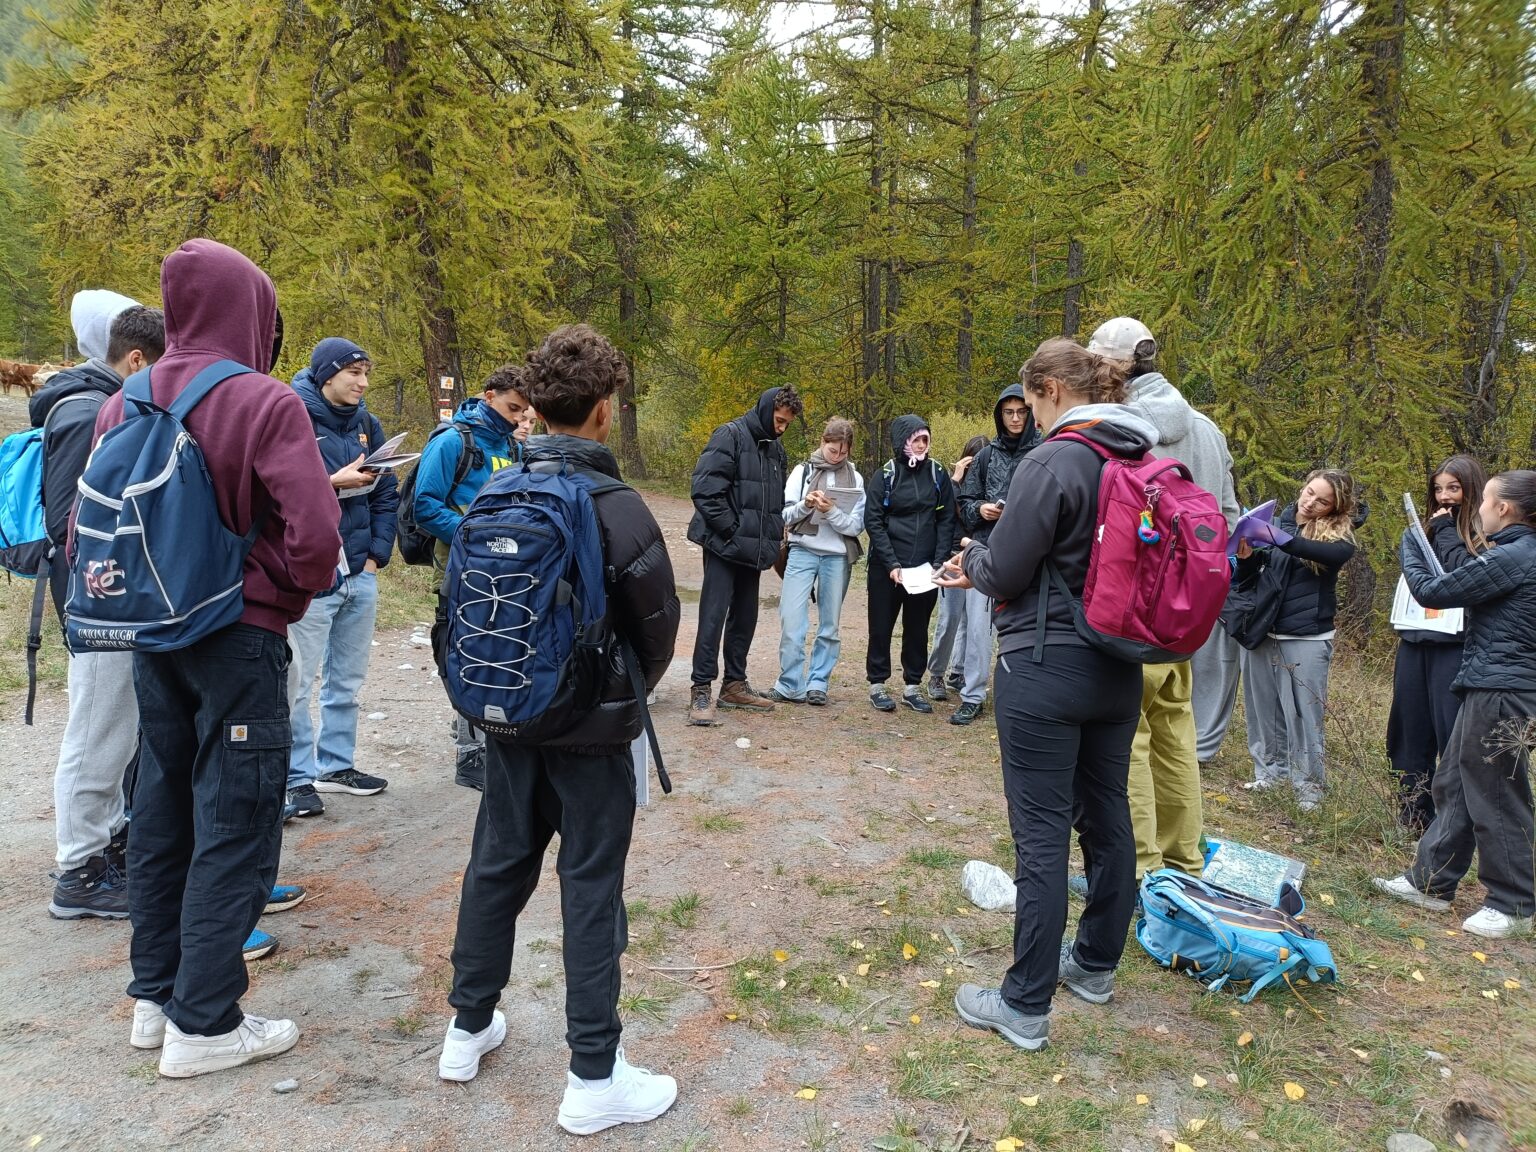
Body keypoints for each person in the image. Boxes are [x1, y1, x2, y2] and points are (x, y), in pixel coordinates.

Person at [91, 239, 341, 1077]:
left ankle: (156, 1000)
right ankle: (205, 1024)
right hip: (237, 638)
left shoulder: (124, 399)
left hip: (152, 634)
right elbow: (316, 534)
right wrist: (279, 595)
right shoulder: (262, 400)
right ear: (251, 309)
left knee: (162, 814)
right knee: (235, 821)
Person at [438, 324, 682, 1134]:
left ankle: (467, 1029)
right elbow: (657, 634)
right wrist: (605, 700)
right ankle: (593, 1075)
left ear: (534, 409)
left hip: (507, 722)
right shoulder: (618, 507)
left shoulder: (494, 493)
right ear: (605, 411)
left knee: (496, 867)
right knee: (590, 887)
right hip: (590, 739)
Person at [940, 338, 1154, 1051]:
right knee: (1108, 818)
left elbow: (1004, 570)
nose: (1029, 415)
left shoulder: (1054, 460)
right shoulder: (1136, 457)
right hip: (1119, 665)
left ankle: (1024, 1003)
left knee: (1040, 837)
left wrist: (972, 557)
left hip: (1044, 663)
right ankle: (1093, 965)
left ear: (1052, 391)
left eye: (1031, 401)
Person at [1087, 317, 1240, 879]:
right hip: (1188, 613)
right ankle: (1184, 860)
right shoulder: (1207, 429)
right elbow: (1228, 519)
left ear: (1116, 364)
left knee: (1127, 738)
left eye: (1095, 360)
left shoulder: (1118, 426)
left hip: (1133, 609)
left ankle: (1142, 869)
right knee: (1175, 733)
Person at [32, 296, 162, 919]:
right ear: (135, 360)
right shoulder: (88, 411)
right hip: (101, 602)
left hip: (115, 597)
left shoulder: (105, 404)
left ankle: (106, 848)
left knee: (117, 731)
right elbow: (68, 521)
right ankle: (78, 871)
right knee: (97, 732)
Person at [1374, 469, 1536, 939]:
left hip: (1506, 690)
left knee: (1497, 791)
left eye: (1485, 500)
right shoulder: (1514, 553)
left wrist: (1413, 539)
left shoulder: (1517, 555)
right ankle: (1431, 882)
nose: (1479, 509)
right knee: (1456, 783)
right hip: (1491, 684)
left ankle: (1514, 903)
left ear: (1504, 508)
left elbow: (1435, 591)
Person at [282, 338, 399, 820]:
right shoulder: (291, 416)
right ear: (327, 373)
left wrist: (375, 558)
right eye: (354, 372)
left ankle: (336, 766)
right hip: (310, 576)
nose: (363, 382)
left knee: (346, 682)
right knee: (296, 682)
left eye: (367, 372)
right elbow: (276, 492)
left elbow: (387, 494)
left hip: (359, 572)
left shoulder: (367, 424)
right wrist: (332, 483)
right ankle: (295, 778)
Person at [414, 364, 529, 790]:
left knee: (502, 654)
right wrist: (474, 537)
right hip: (462, 566)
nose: (517, 418)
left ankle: (491, 740)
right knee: (469, 655)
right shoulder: (451, 441)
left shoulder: (512, 446)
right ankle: (469, 755)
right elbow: (425, 505)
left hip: (506, 568)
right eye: (512, 408)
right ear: (489, 395)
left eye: (524, 412)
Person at [1236, 469, 1360, 810]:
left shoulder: (1340, 538)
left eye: (1322, 501)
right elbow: (1250, 578)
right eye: (1309, 492)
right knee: (1263, 710)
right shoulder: (1277, 523)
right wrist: (1247, 558)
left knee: (1304, 715)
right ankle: (1269, 774)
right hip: (1262, 629)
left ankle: (1308, 788)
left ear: (1335, 507)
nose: (1310, 502)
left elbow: (1312, 551)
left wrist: (1272, 535)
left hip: (1306, 635)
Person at [686, 385, 802, 725]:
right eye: (778, 420)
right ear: (766, 410)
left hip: (754, 550)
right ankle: (701, 689)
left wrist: (771, 537)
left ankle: (734, 685)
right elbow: (705, 491)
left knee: (746, 617)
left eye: (787, 423)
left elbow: (774, 502)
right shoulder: (730, 435)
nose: (782, 427)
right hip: (724, 546)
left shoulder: (776, 449)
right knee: (713, 616)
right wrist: (732, 531)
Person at [1386, 456, 1486, 833]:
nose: (1444, 497)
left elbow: (1467, 574)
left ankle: (1453, 824)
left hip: (1457, 647)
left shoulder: (1486, 536)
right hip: (1414, 641)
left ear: (1471, 490)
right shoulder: (1421, 532)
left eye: (1453, 488)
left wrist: (1446, 531)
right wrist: (1428, 533)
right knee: (1408, 732)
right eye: (1438, 489)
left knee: (1451, 733)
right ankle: (1414, 816)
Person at [952, 385, 1043, 725]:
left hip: (1029, 554)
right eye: (1009, 412)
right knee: (977, 629)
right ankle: (972, 694)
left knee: (1026, 630)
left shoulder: (1045, 452)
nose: (1015, 418)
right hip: (985, 550)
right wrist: (981, 509)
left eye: (1021, 411)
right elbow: (965, 503)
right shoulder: (986, 456)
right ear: (1000, 415)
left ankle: (1026, 697)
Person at [864, 414, 957, 715]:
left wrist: (939, 561)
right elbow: (873, 521)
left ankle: (912, 686)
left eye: (925, 439)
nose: (921, 444)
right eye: (916, 439)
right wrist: (891, 563)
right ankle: (877, 684)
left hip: (924, 568)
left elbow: (946, 518)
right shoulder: (885, 475)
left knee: (917, 628)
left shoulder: (937, 473)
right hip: (887, 567)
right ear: (903, 441)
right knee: (881, 626)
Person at [771, 417, 865, 706]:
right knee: (791, 619)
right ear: (823, 442)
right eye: (832, 450)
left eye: (843, 452)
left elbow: (855, 526)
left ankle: (818, 682)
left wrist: (832, 512)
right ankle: (790, 683)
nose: (836, 456)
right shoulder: (803, 472)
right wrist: (807, 505)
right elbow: (784, 516)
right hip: (802, 550)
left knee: (829, 625)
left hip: (837, 556)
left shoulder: (856, 478)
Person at [927, 435, 987, 703]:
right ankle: (936, 673)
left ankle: (959, 671)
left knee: (973, 623)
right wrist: (954, 480)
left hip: (978, 559)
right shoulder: (953, 487)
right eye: (972, 464)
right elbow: (939, 514)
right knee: (950, 618)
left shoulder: (990, 488)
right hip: (952, 559)